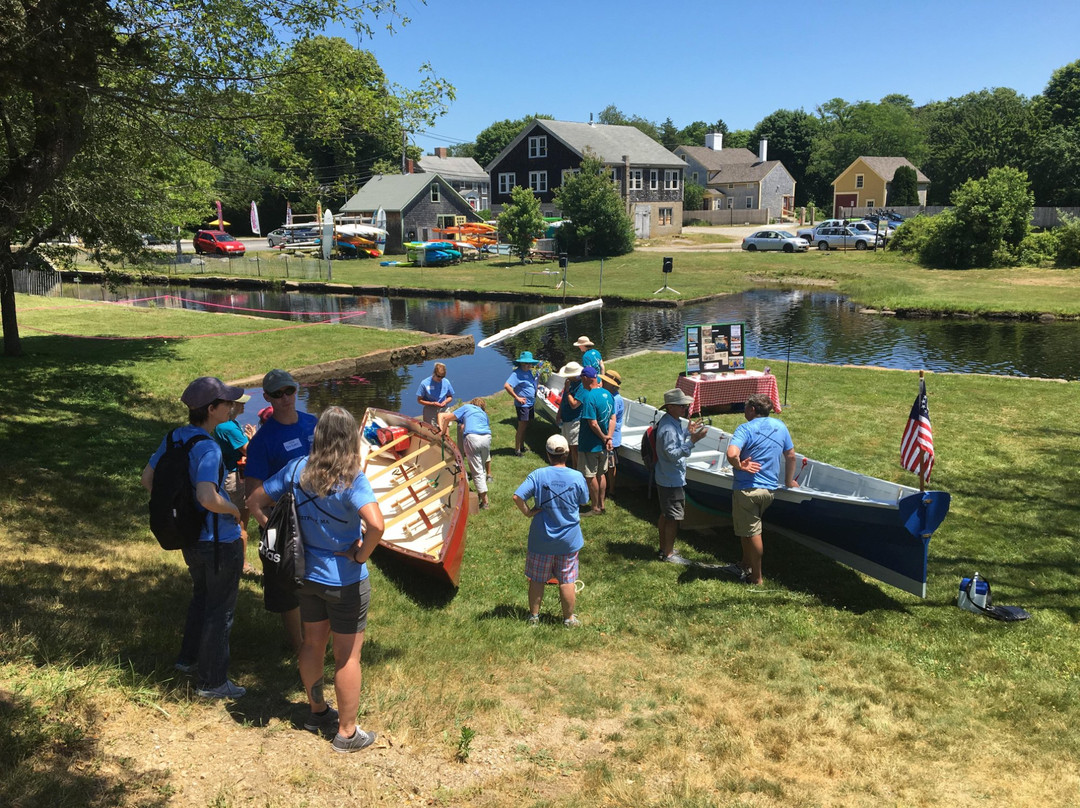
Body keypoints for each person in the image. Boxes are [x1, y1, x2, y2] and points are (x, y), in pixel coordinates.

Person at [247, 407, 384, 753]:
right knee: (347, 658)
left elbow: (255, 501)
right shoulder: (353, 478)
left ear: (319, 435)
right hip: (345, 581)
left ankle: (316, 711)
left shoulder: (297, 469)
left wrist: (275, 532)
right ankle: (347, 734)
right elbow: (378, 525)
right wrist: (360, 554)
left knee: (311, 644)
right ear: (350, 437)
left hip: (304, 574)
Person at [141, 376, 247, 700]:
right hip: (218, 543)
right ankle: (212, 681)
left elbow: (148, 479)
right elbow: (206, 496)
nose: (232, 407)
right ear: (212, 409)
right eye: (227, 403)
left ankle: (187, 660)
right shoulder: (210, 448)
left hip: (189, 538)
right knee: (220, 610)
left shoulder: (174, 438)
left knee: (201, 598)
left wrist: (178, 509)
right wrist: (232, 511)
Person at [245, 369, 317, 655]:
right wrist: (271, 530)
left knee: (315, 582)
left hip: (319, 518)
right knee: (287, 586)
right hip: (286, 523)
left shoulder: (314, 423)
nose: (285, 398)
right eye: (277, 394)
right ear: (267, 397)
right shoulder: (263, 440)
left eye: (289, 390)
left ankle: (316, 636)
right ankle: (298, 645)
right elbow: (253, 496)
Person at [513, 434, 590, 627]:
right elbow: (584, 500)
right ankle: (568, 619)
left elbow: (517, 497)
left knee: (537, 579)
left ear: (548, 455)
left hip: (541, 539)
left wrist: (529, 513)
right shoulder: (577, 476)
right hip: (569, 540)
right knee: (566, 580)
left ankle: (533, 618)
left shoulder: (538, 475)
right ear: (566, 455)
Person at [725, 394, 798, 585]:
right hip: (769, 491)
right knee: (746, 530)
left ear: (752, 410)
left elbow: (731, 453)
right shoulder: (780, 426)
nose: (744, 410)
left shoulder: (745, 429)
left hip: (747, 490)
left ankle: (756, 577)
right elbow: (790, 456)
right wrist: (789, 481)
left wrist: (740, 465)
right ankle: (744, 564)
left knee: (752, 533)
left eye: (745, 407)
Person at [654, 388, 708, 563]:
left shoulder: (671, 421)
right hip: (671, 479)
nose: (685, 408)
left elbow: (674, 443)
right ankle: (668, 554)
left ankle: (664, 548)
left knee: (665, 514)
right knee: (672, 518)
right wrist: (692, 441)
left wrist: (687, 432)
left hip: (667, 476)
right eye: (682, 405)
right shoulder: (669, 428)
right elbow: (672, 454)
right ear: (670, 407)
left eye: (686, 405)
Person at [213, 394, 257, 574]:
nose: (244, 405)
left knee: (232, 520)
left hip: (230, 477)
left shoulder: (228, 425)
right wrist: (253, 437)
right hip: (236, 479)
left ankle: (226, 561)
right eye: (240, 403)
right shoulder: (228, 427)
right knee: (241, 523)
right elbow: (251, 451)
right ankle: (242, 565)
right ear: (231, 406)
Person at [438, 397, 492, 510]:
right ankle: (481, 493)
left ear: (472, 403)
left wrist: (443, 432)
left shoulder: (467, 407)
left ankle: (485, 501)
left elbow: (446, 417)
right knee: (481, 468)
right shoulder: (483, 413)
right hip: (487, 438)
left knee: (476, 471)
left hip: (473, 438)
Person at [576, 367, 615, 516]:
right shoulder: (607, 394)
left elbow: (592, 423)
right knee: (601, 474)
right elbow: (613, 418)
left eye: (582, 378)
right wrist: (608, 437)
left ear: (586, 378)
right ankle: (602, 504)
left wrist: (603, 437)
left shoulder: (589, 397)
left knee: (590, 475)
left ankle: (595, 508)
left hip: (590, 444)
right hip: (603, 445)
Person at [503, 350, 540, 457]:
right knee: (521, 426)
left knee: (526, 424)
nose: (528, 365)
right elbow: (507, 386)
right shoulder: (517, 373)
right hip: (523, 405)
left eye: (530, 363)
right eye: (526, 363)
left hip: (530, 403)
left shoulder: (529, 372)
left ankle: (522, 445)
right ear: (521, 363)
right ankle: (517, 450)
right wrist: (517, 397)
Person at [555, 361, 584, 470]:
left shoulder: (581, 386)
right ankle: (570, 465)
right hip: (566, 419)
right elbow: (563, 400)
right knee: (568, 445)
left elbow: (574, 405)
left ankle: (576, 469)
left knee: (574, 447)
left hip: (575, 420)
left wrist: (567, 391)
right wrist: (559, 414)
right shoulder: (569, 382)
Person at [600, 370, 624, 495]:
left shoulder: (615, 399)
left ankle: (612, 489)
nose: (602, 383)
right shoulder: (611, 397)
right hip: (609, 436)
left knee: (611, 464)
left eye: (605, 381)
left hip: (612, 437)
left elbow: (610, 418)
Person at [416, 362, 455, 428]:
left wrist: (445, 402)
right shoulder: (424, 383)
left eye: (442, 377)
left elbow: (450, 397)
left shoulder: (446, 382)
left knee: (446, 430)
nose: (440, 379)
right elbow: (419, 400)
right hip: (430, 409)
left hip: (443, 408)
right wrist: (432, 403)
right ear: (434, 373)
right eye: (438, 376)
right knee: (432, 431)